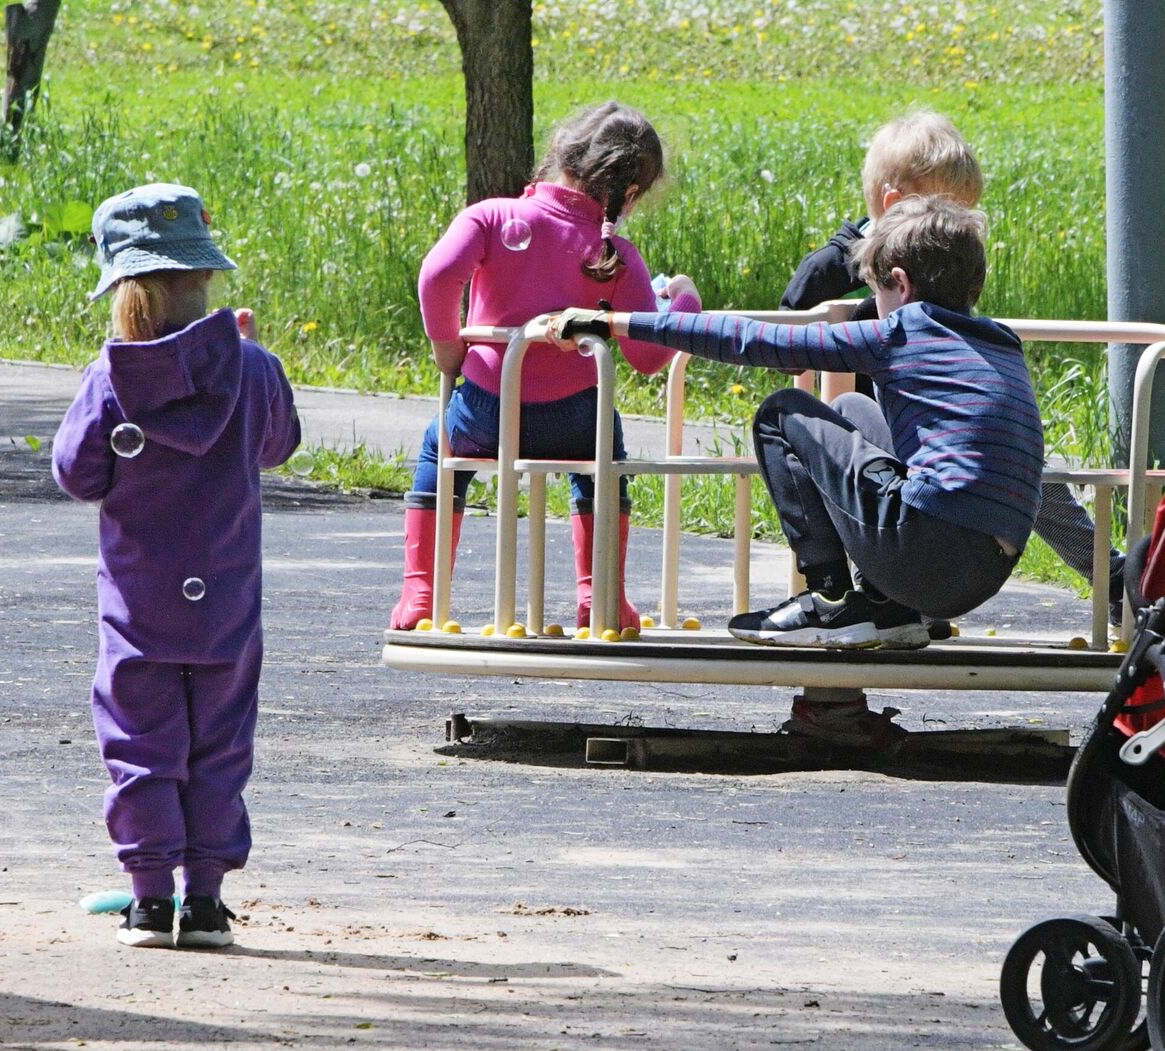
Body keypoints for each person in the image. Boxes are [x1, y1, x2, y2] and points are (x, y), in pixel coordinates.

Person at [551, 195, 1039, 650]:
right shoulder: (1001, 344)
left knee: (781, 412)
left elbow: (755, 340)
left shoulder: (903, 332)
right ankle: (889, 611)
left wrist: (617, 323)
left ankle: (828, 601)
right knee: (852, 411)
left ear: (902, 284)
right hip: (986, 571)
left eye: (877, 293)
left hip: (920, 549)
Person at [53, 183, 300, 948]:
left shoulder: (114, 376)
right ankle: (208, 902)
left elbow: (75, 472)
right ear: (206, 275)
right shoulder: (254, 369)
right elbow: (278, 444)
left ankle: (150, 899)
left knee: (140, 742)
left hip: (140, 606)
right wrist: (248, 360)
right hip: (226, 605)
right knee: (219, 745)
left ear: (123, 285)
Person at [781, 110, 1123, 629]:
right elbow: (794, 308)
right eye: (947, 214)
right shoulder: (848, 267)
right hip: (875, 437)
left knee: (1031, 475)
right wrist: (861, 268)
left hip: (938, 440)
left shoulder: (939, 262)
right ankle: (866, 600)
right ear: (897, 206)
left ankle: (1111, 575)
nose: (960, 234)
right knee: (866, 468)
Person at [395, 102, 704, 632]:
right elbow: (649, 359)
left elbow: (436, 277)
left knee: (438, 448)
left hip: (487, 414)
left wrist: (449, 348)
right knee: (606, 466)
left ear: (560, 150)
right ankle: (600, 596)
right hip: (577, 423)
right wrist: (686, 302)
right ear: (629, 194)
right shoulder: (616, 255)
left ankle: (420, 594)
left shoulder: (492, 217)